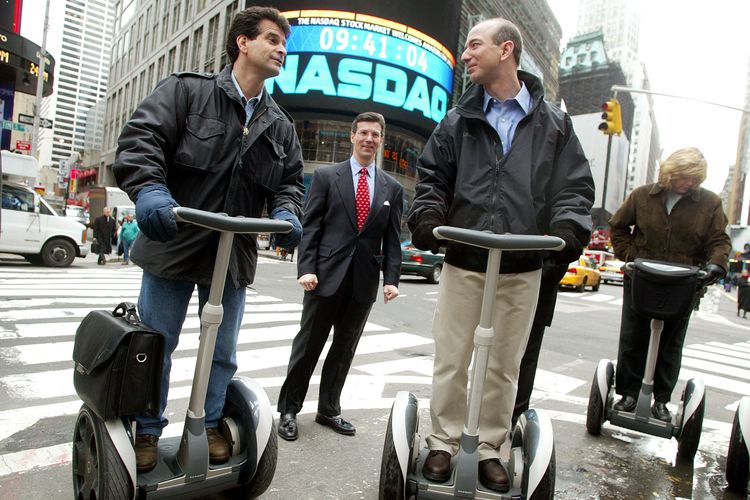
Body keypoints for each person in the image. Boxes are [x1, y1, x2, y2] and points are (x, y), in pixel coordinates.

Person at [112, 6, 304, 473]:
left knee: (222, 350)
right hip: (174, 240)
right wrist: (151, 191)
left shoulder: (279, 123)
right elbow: (141, 140)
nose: (282, 49)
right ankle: (147, 430)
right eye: (273, 39)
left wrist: (285, 211)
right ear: (243, 42)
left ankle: (213, 422)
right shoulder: (186, 91)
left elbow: (291, 181)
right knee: (156, 343)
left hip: (232, 252)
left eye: (284, 42)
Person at [407, 18, 594, 492]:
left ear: (505, 50)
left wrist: (568, 231)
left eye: (474, 45)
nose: (465, 54)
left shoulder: (554, 124)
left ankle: (491, 446)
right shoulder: (457, 120)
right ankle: (445, 442)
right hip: (466, 259)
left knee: (504, 364)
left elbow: (573, 188)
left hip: (523, 262)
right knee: (452, 357)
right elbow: (432, 180)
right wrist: (429, 219)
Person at [276, 112, 404, 441]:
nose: (369, 139)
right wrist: (306, 269)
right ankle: (289, 410)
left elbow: (391, 239)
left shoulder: (392, 188)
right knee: (308, 347)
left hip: (363, 282)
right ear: (352, 137)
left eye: (375, 134)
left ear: (381, 139)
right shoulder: (326, 177)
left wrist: (391, 279)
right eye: (363, 133)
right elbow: (312, 226)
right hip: (324, 279)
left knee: (344, 349)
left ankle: (328, 409)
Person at [609, 147, 729, 423]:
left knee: (672, 342)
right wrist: (630, 257)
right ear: (670, 172)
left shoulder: (709, 203)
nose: (688, 183)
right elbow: (618, 227)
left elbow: (719, 241)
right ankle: (627, 393)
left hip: (684, 283)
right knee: (633, 336)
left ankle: (662, 399)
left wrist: (716, 265)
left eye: (694, 179)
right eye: (684, 177)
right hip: (642, 277)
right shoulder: (642, 195)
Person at [511, 258, 569, 426]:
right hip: (505, 281)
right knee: (491, 351)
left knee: (527, 358)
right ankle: (490, 413)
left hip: (539, 288)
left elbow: (565, 252)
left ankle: (517, 418)